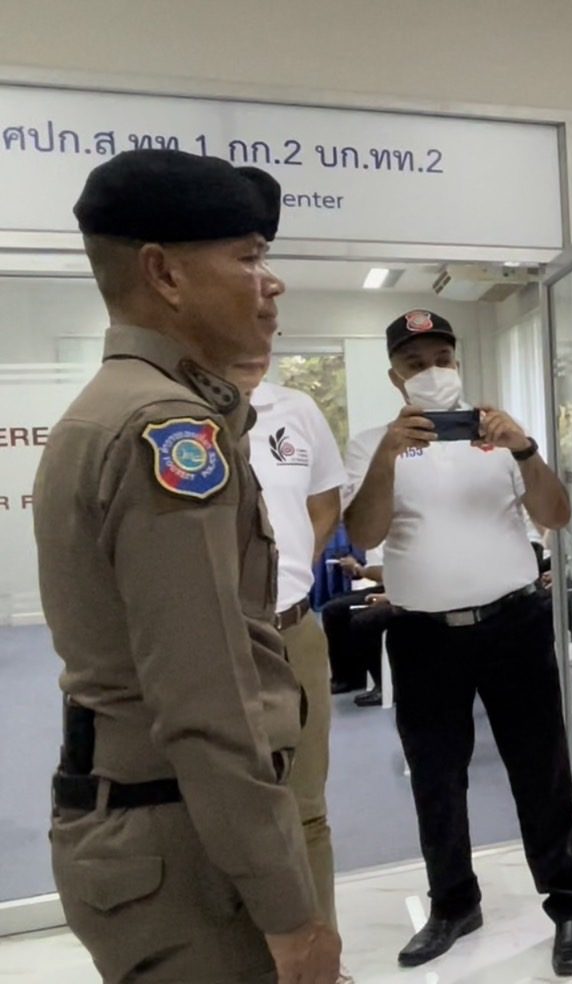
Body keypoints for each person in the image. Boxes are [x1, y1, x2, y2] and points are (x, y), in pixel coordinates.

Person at [35, 149, 341, 983]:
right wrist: (292, 915)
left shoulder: (122, 408)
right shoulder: (165, 429)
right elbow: (208, 701)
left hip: (161, 825)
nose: (271, 282)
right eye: (247, 257)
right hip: (188, 851)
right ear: (164, 274)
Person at [341, 310, 572, 976]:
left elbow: (556, 514)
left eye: (442, 359)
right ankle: (454, 904)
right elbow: (363, 533)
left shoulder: (500, 436)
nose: (432, 372)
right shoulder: (371, 444)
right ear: (395, 376)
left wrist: (525, 449)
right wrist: (388, 456)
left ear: (457, 361)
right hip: (424, 635)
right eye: (415, 363)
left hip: (514, 624)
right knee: (435, 775)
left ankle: (569, 904)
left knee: (540, 768)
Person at [224, 361, 348, 932]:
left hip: (294, 631)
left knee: (305, 807)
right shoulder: (174, 408)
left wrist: (288, 568)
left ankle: (321, 953)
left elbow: (325, 503)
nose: (259, 339)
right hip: (214, 641)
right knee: (220, 805)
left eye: (269, 326)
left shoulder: (295, 410)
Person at [323, 551, 390, 706]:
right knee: (333, 609)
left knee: (363, 621)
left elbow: (388, 574)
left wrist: (359, 569)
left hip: (405, 594)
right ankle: (348, 677)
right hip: (391, 588)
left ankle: (385, 686)